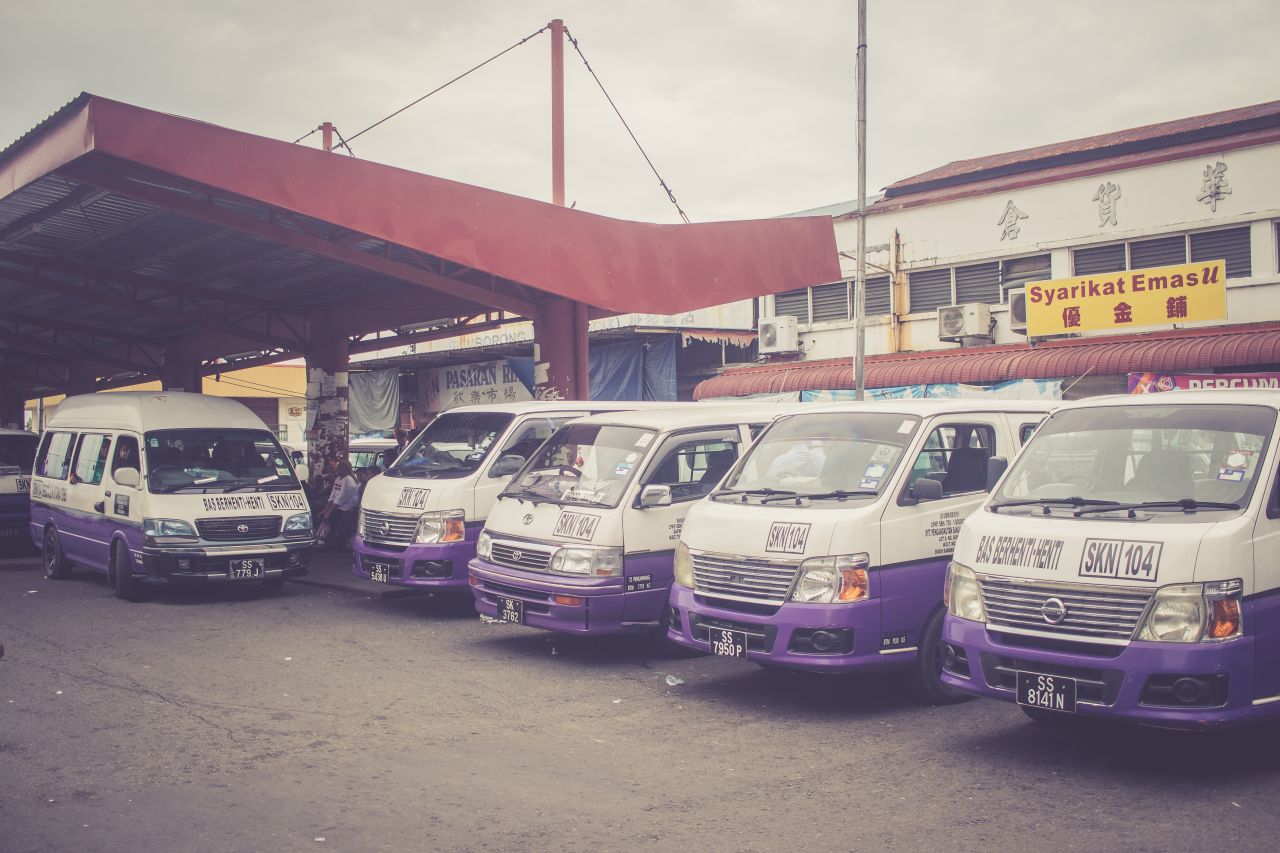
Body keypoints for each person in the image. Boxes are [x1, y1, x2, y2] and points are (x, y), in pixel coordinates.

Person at [318, 460, 359, 550]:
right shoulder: (338, 479)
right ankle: (321, 536)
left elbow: (340, 499)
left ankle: (331, 539)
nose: (337, 469)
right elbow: (333, 496)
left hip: (346, 509)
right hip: (338, 507)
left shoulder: (348, 480)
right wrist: (325, 510)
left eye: (340, 467)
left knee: (330, 516)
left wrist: (328, 513)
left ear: (345, 469)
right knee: (320, 510)